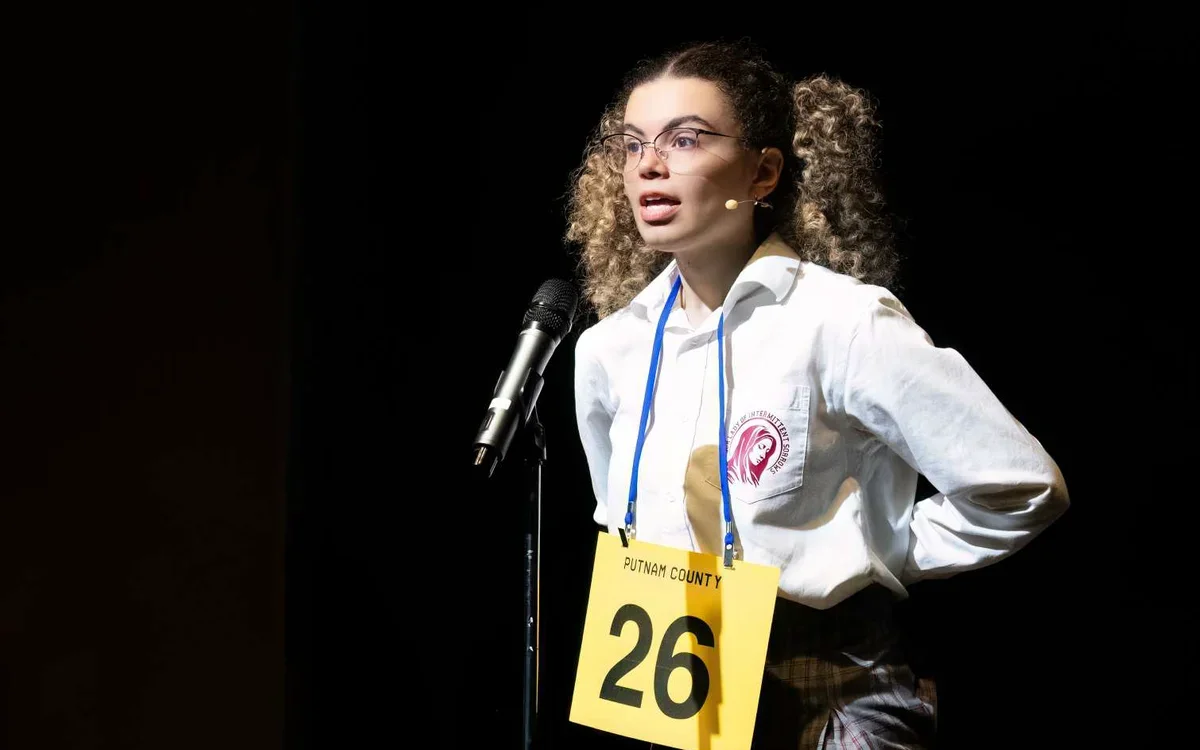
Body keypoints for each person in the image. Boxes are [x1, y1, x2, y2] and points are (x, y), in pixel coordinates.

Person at [565, 37, 1070, 749]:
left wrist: (880, 551)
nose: (649, 163)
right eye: (632, 144)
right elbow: (619, 518)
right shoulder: (609, 349)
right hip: (672, 697)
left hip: (826, 689)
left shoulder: (841, 321)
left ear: (763, 172)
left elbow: (1020, 486)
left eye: (685, 138)